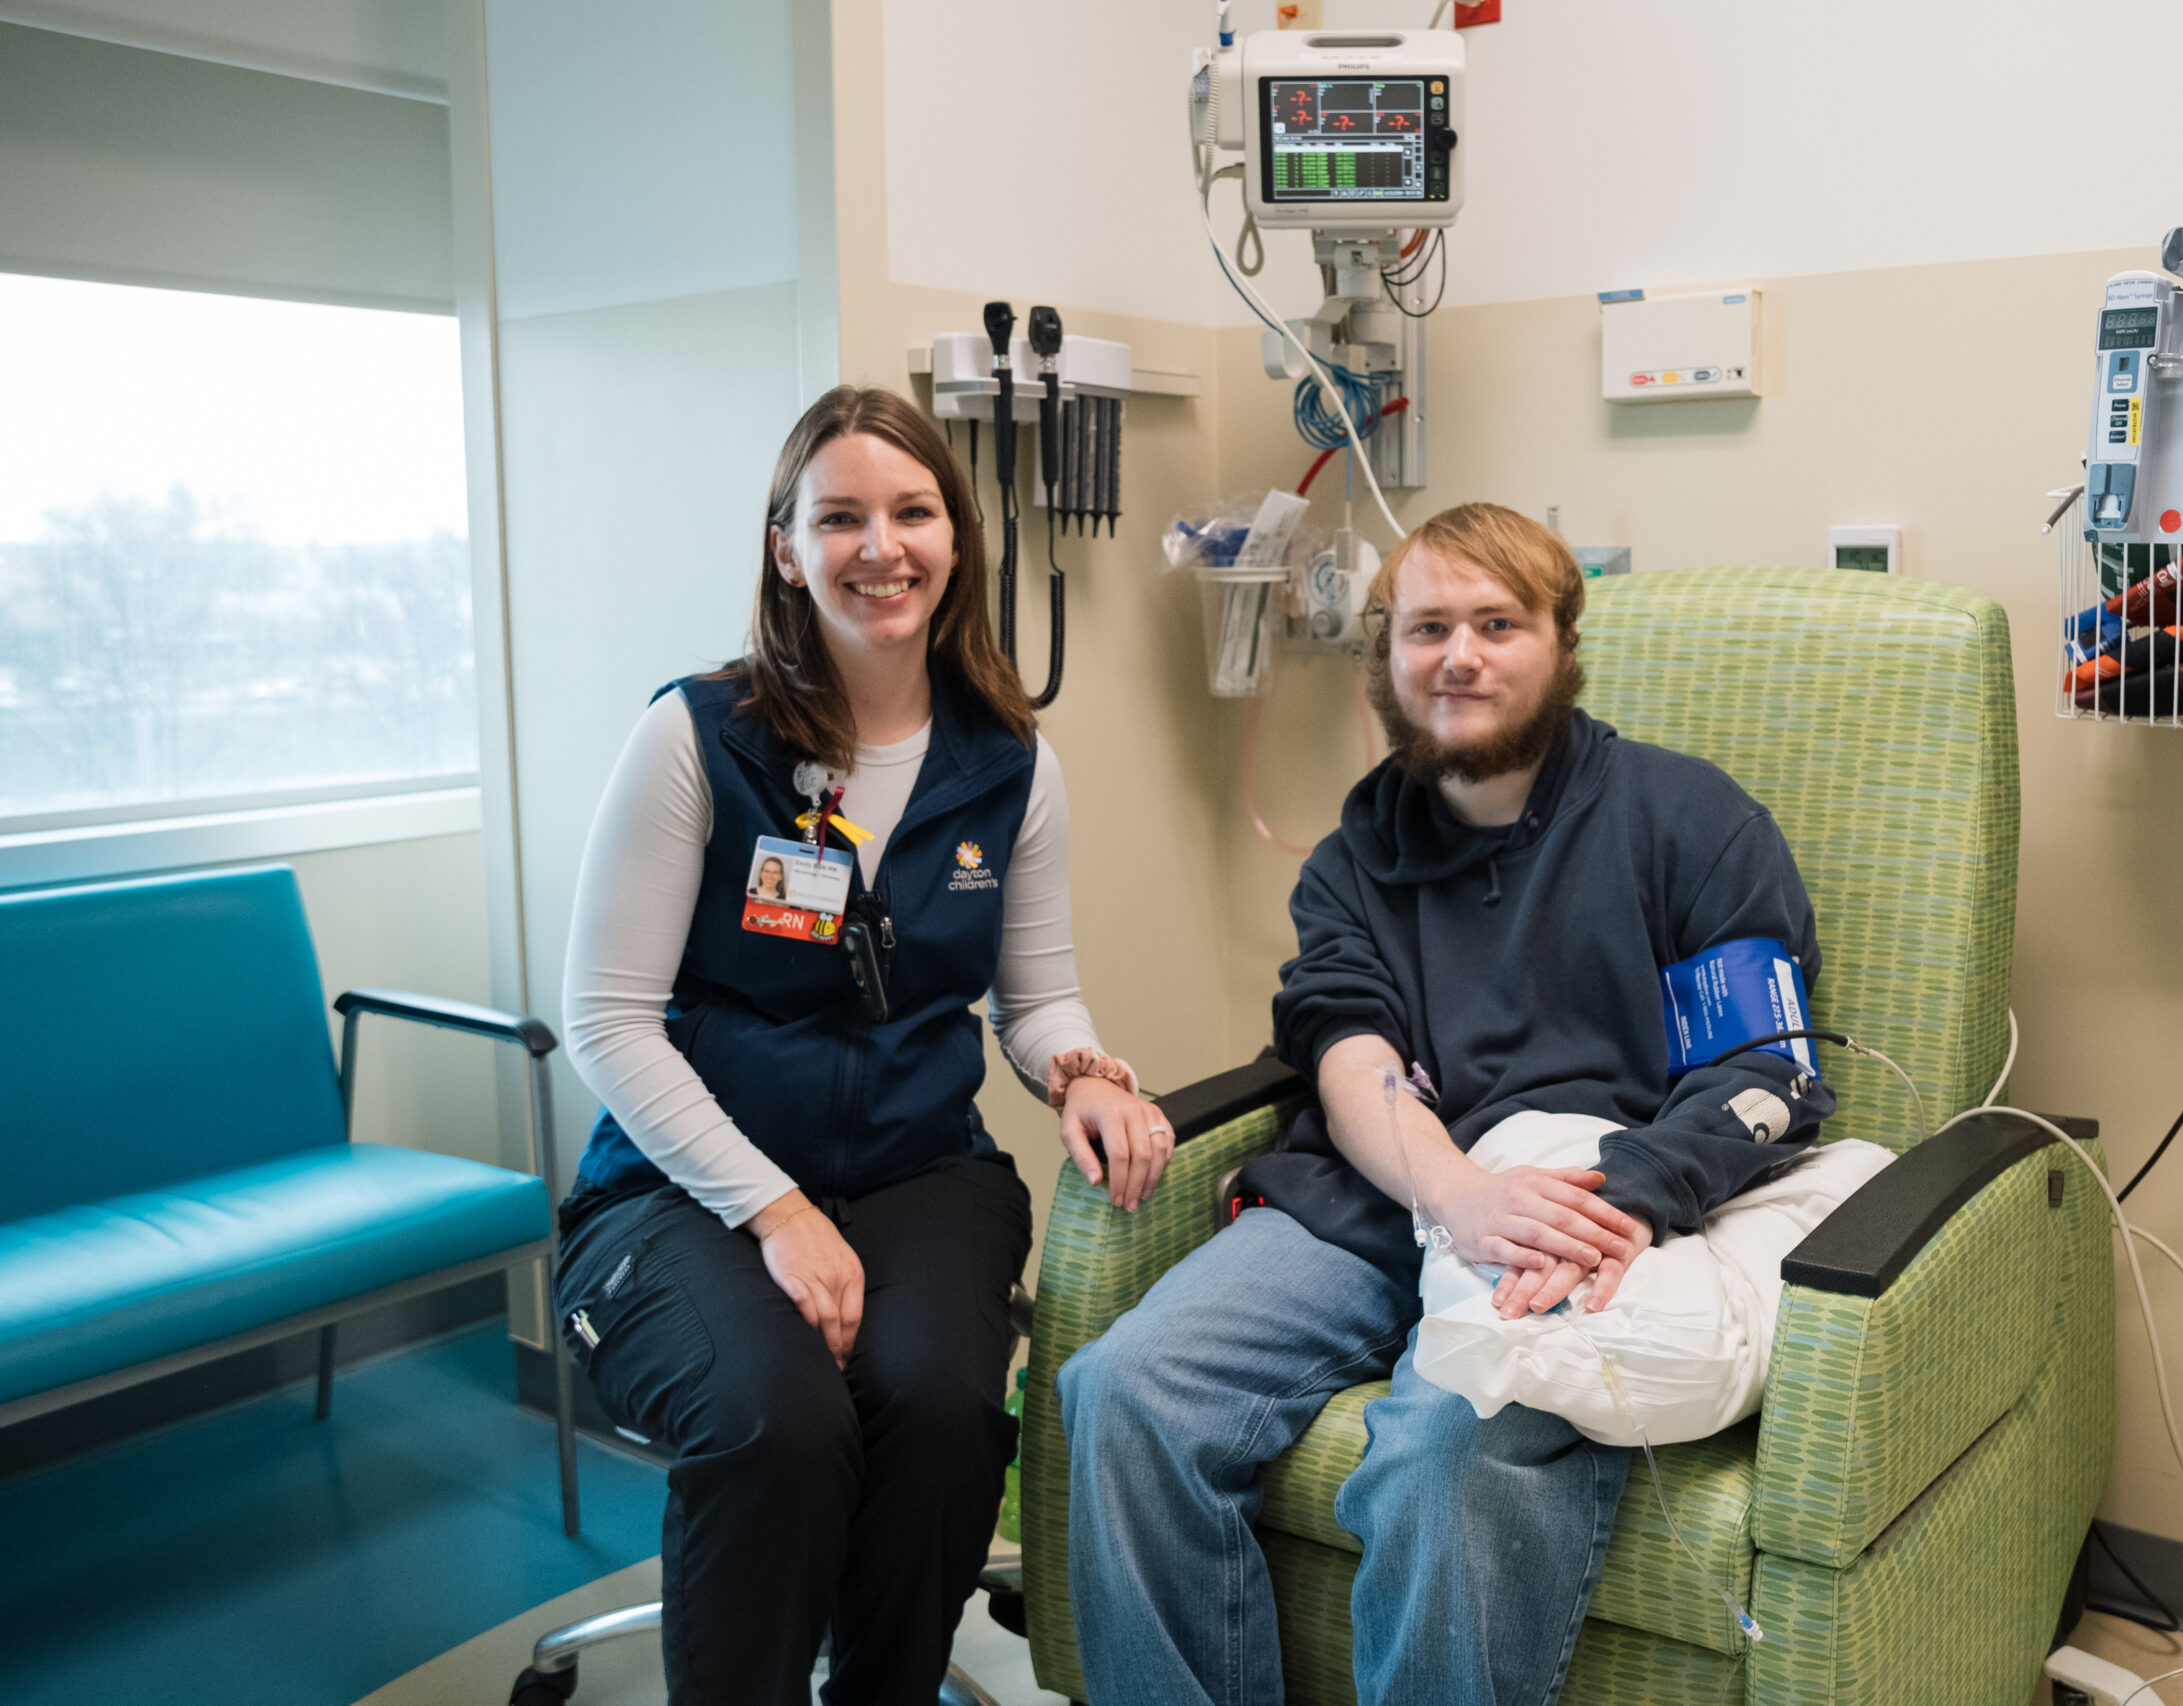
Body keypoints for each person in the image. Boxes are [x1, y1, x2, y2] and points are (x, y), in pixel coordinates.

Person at [1060, 503, 1838, 1706]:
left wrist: (1619, 1196)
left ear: (1561, 645)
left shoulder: (1690, 824)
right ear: (1387, 659)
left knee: (1439, 1455)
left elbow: (1766, 1072)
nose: (1459, 655)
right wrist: (1457, 1193)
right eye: (1427, 627)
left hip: (1580, 1208)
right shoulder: (1353, 860)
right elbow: (1348, 1049)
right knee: (1122, 1388)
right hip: (1382, 1201)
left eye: (1496, 623)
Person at [552, 385, 1170, 1706]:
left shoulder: (1008, 763)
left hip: (916, 1171)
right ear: (786, 547)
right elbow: (605, 1017)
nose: (879, 547)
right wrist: (771, 1207)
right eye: (839, 517)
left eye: (912, 511)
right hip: (681, 1189)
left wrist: (1081, 1070)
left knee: (945, 1413)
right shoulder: (696, 738)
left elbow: (1035, 995)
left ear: (956, 539)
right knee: (778, 1421)